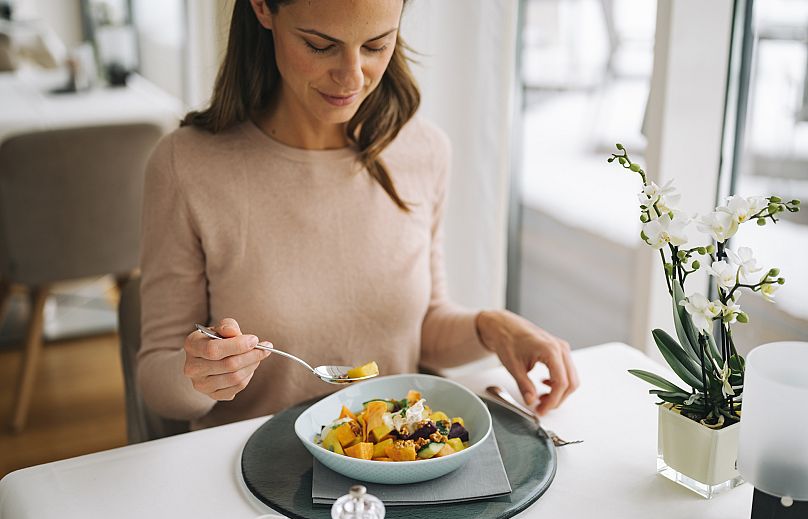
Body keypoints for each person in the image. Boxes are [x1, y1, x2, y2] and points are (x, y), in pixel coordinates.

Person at [137, 0, 579, 430]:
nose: (352, 76)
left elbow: (419, 329)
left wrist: (492, 327)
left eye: (375, 45)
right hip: (248, 477)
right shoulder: (186, 166)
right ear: (262, 8)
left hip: (391, 474)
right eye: (319, 45)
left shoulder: (423, 151)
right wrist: (199, 374)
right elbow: (157, 378)